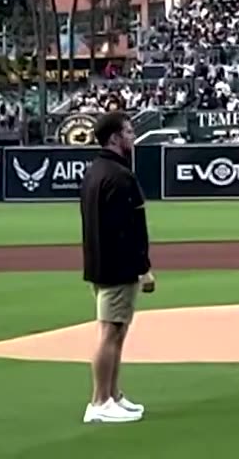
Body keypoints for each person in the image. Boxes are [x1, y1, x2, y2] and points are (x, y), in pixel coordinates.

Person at [79, 111, 155, 423]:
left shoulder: (96, 171)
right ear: (114, 138)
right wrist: (143, 267)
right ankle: (99, 401)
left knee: (116, 332)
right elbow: (130, 229)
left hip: (100, 262)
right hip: (118, 266)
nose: (132, 137)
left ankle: (112, 395)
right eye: (127, 132)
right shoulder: (120, 176)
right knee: (110, 333)